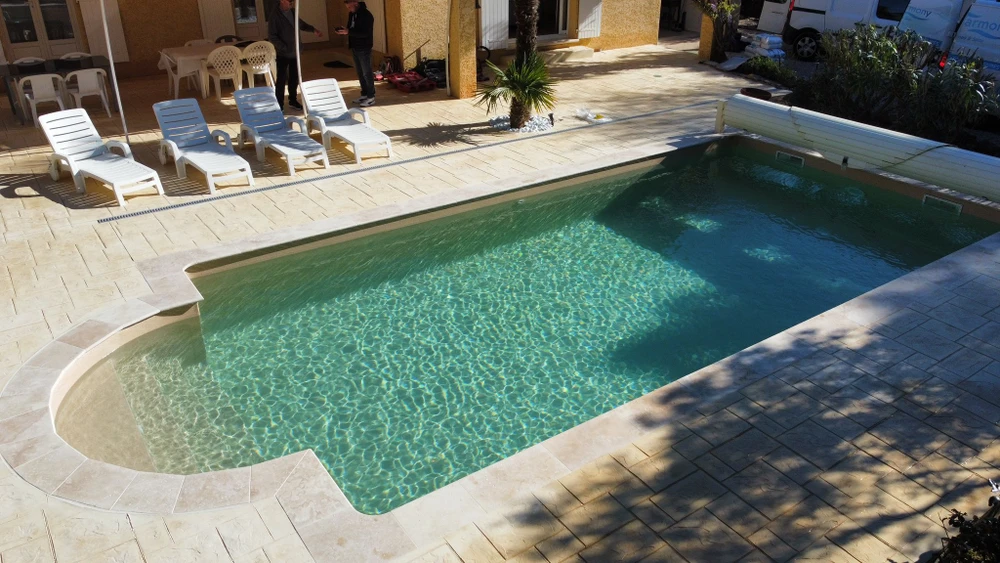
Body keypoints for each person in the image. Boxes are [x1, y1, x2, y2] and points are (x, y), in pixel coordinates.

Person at [268, 0, 322, 111]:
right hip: (283, 53)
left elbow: (301, 24)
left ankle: (293, 100)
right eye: (289, 1)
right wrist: (283, 47)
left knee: (294, 77)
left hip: (295, 51)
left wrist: (313, 30)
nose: (292, 2)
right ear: (282, 1)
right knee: (282, 79)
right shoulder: (275, 16)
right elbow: (272, 36)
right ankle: (279, 104)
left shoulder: (292, 12)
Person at [336, 0, 375, 107]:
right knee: (360, 72)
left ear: (356, 4)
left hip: (364, 47)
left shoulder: (366, 15)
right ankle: (364, 94)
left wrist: (349, 32)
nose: (348, 9)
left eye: (349, 7)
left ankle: (371, 96)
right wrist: (345, 31)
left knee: (367, 72)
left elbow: (365, 33)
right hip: (355, 46)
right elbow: (350, 28)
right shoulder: (352, 14)